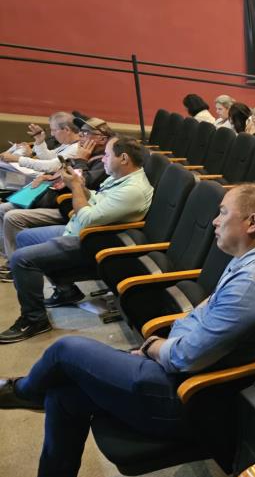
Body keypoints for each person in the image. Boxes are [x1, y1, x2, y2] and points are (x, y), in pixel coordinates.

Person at [0, 184, 255, 477]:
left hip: (190, 396)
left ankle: (26, 392)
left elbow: (185, 357)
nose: (214, 220)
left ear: (251, 223)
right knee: (64, 393)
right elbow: (205, 314)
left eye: (223, 212)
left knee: (65, 350)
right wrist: (161, 345)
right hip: (183, 369)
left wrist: (153, 346)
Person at [0, 136, 154, 342]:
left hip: (95, 241)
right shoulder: (119, 177)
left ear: (124, 158)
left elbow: (87, 218)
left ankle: (34, 319)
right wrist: (81, 186)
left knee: (21, 259)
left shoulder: (132, 190)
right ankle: (65, 290)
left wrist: (75, 189)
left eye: (107, 155)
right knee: (26, 237)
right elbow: (97, 199)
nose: (103, 159)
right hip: (79, 230)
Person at [0, 118, 113, 272]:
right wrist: (53, 176)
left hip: (70, 208)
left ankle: (16, 266)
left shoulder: (103, 160)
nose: (81, 137)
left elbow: (81, 183)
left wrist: (80, 161)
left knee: (12, 217)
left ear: (101, 139)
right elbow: (63, 170)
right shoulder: (87, 153)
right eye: (81, 132)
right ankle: (11, 259)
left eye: (86, 133)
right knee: (5, 209)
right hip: (61, 200)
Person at [0, 112, 81, 174]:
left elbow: (51, 166)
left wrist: (17, 159)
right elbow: (49, 157)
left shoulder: (77, 148)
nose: (52, 134)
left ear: (66, 130)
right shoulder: (68, 144)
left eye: (54, 130)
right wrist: (40, 141)